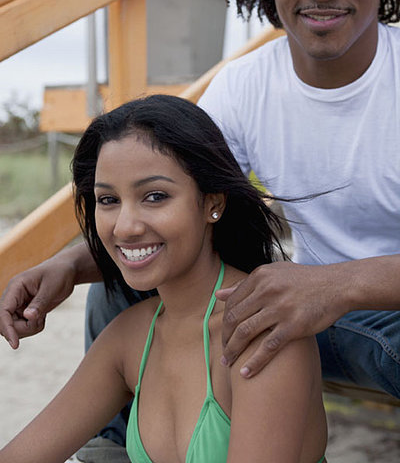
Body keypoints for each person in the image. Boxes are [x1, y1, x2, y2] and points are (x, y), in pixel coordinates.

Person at [1, 0, 400, 458]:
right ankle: (112, 447)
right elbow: (169, 198)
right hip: (298, 306)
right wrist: (65, 263)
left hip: (384, 318)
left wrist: (337, 284)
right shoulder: (244, 87)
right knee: (120, 283)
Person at [0, 95, 327, 463]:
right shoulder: (130, 337)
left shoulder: (262, 331)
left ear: (212, 203)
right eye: (108, 200)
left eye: (155, 196)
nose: (125, 226)